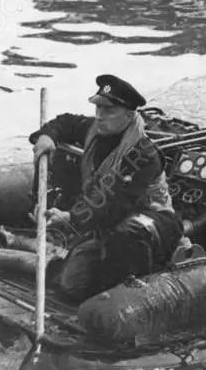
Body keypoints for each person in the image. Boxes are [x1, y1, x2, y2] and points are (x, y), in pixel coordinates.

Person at [29, 75, 183, 303]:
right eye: (98, 108)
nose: (99, 116)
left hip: (151, 220)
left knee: (127, 234)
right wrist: (46, 136)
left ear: (129, 116)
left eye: (109, 110)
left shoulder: (141, 154)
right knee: (70, 287)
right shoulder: (96, 130)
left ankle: (139, 289)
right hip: (106, 222)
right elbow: (66, 122)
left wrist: (71, 218)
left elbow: (114, 203)